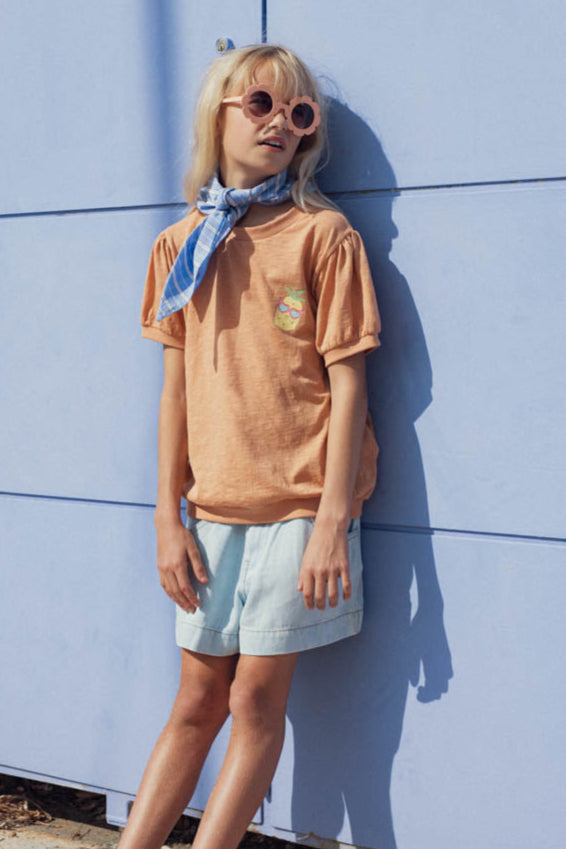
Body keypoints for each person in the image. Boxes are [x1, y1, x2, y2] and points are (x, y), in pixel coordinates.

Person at [118, 43, 381, 849]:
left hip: (299, 509)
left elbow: (349, 384)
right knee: (196, 700)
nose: (281, 124)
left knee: (255, 702)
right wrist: (167, 519)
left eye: (300, 115)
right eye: (261, 104)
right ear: (220, 115)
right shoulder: (179, 245)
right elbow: (174, 394)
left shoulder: (323, 235)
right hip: (212, 513)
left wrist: (331, 521)